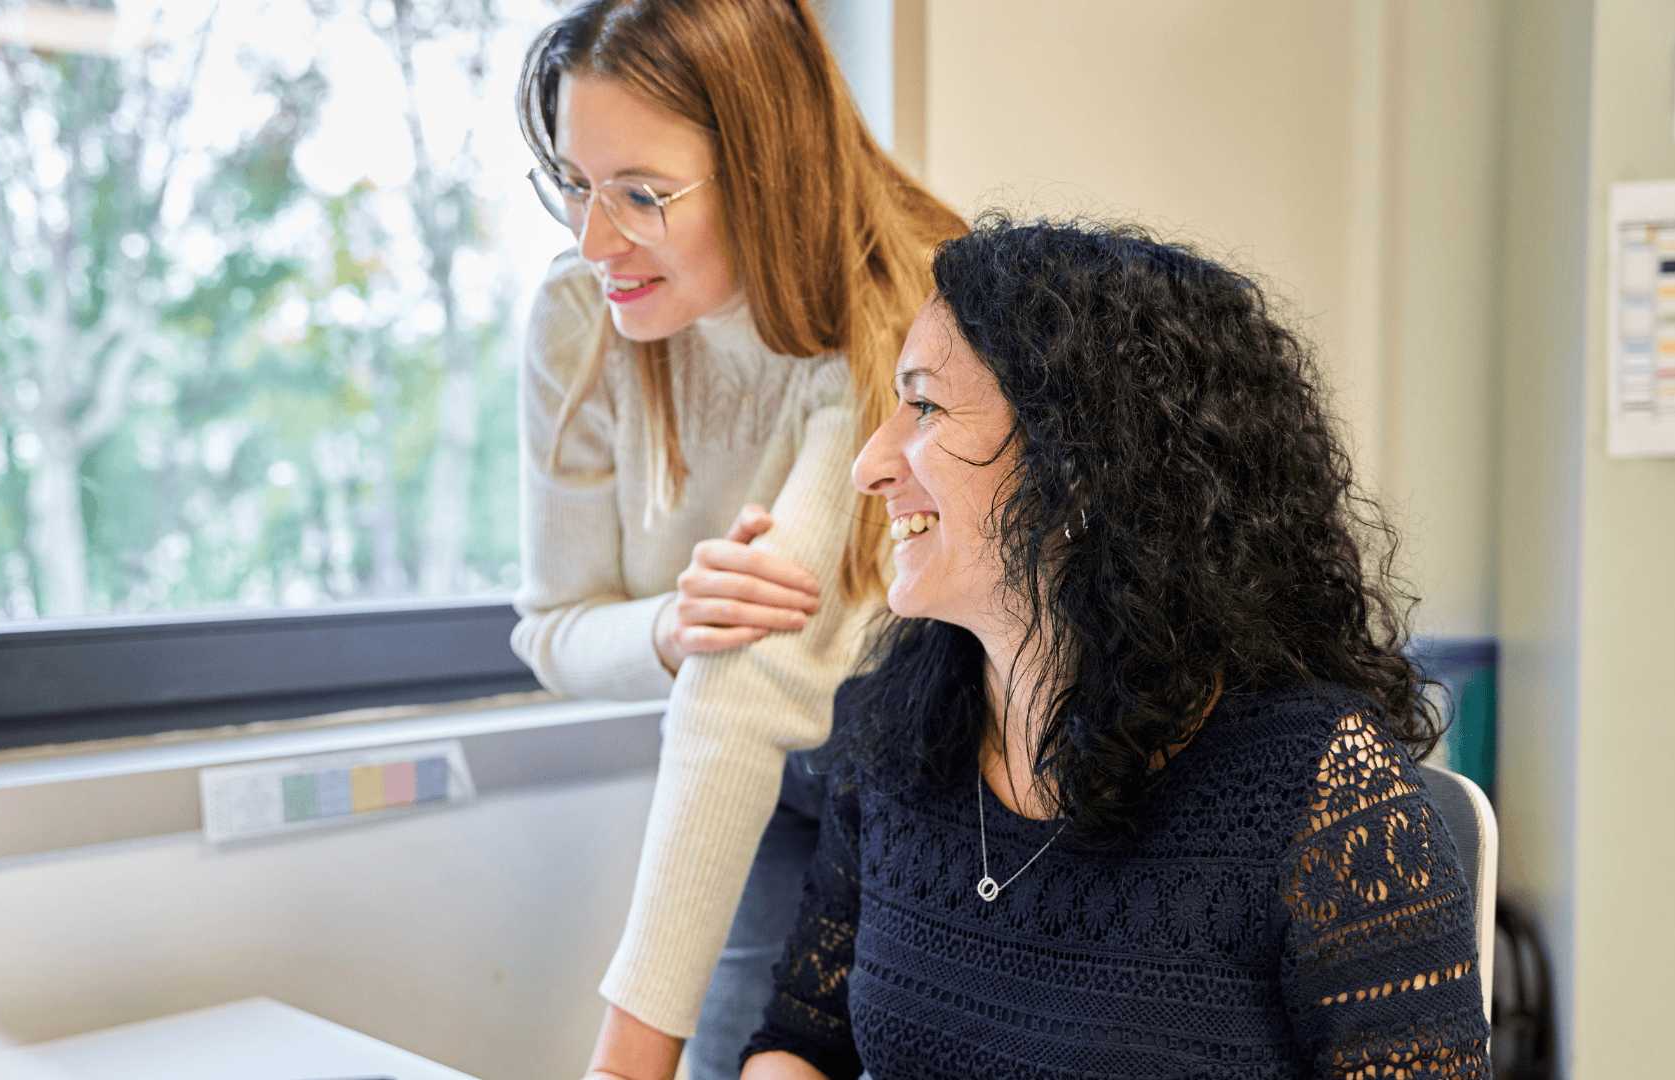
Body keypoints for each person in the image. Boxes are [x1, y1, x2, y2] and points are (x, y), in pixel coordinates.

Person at [740, 218, 1493, 1078]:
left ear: (1080, 469)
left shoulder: (1314, 790)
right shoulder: (903, 731)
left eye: (924, 406)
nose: (871, 463)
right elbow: (798, 1045)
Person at [507, 2, 965, 1077]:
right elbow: (554, 632)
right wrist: (670, 623)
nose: (593, 240)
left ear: (764, 168)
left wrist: (622, 1062)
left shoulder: (898, 315)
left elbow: (756, 671)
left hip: (941, 785)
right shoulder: (580, 323)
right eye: (574, 183)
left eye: (641, 196)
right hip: (773, 777)